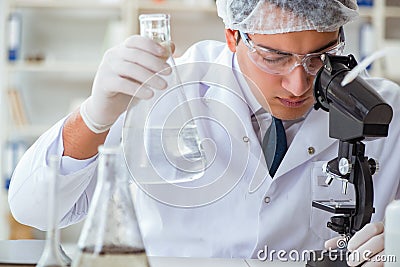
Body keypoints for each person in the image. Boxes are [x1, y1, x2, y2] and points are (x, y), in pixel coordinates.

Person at [8, 0, 400, 265]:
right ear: (233, 36)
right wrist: (94, 117)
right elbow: (35, 211)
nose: (298, 83)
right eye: (274, 57)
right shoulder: (164, 91)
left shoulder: (386, 111)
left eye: (319, 56)